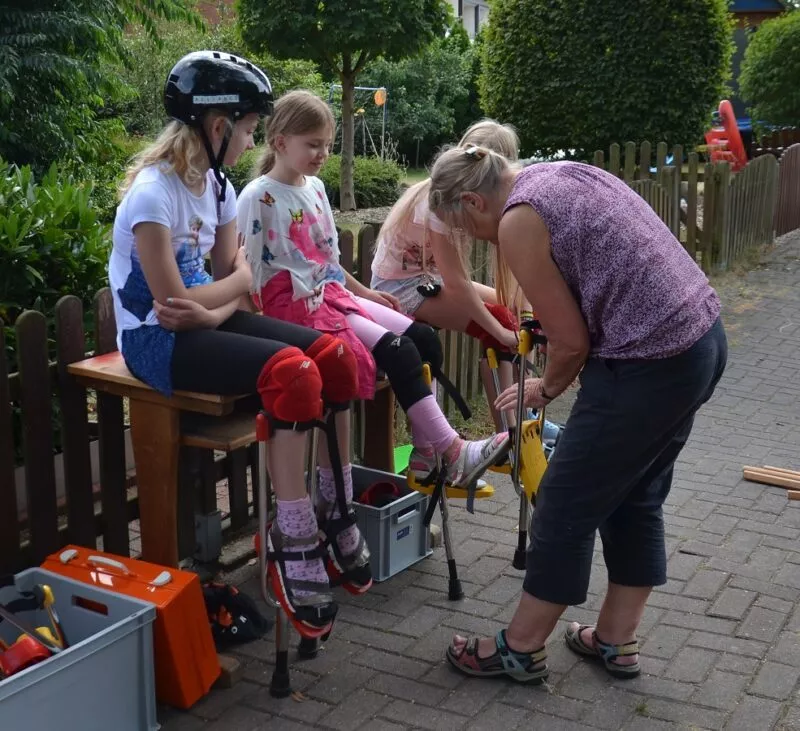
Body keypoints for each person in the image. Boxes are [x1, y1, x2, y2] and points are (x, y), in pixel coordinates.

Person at [426, 145, 727, 683]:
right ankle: (615, 639)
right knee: (635, 493)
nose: (478, 241)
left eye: (468, 229)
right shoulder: (557, 173)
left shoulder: (519, 219)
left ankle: (518, 648)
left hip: (648, 361)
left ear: (474, 200)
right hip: (699, 342)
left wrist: (544, 388)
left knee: (565, 499)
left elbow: (570, 342)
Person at [109, 51, 370, 642]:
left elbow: (224, 287)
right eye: (250, 128)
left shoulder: (218, 187)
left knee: (334, 358)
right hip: (154, 343)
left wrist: (218, 299)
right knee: (295, 374)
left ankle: (335, 502)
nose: (253, 138)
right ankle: (292, 535)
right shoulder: (154, 196)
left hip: (198, 322)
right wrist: (226, 292)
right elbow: (176, 310)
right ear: (217, 124)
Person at [237, 90, 510, 500]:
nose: (322, 153)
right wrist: (255, 328)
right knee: (400, 351)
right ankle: (452, 450)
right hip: (294, 308)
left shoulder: (313, 188)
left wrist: (366, 293)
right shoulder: (257, 197)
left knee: (424, 339)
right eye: (313, 144)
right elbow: (247, 270)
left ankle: (425, 455)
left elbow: (326, 259)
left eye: (327, 144)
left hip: (331, 296)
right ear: (279, 141)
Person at [371, 120, 525, 432]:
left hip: (429, 277)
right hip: (400, 287)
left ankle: (518, 419)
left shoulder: (460, 192)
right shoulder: (438, 202)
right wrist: (503, 331)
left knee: (511, 313)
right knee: (500, 325)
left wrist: (522, 313)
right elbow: (456, 283)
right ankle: (507, 435)